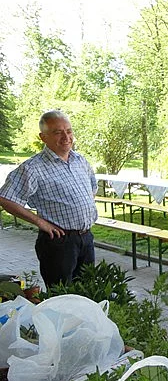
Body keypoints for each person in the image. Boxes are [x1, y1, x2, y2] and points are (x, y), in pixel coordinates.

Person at [0, 110, 98, 289]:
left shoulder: (80, 160)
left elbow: (92, 187)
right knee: (61, 296)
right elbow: (6, 198)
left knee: (88, 292)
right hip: (59, 243)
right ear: (43, 137)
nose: (66, 137)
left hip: (86, 238)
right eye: (58, 132)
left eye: (69, 131)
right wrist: (40, 222)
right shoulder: (33, 168)